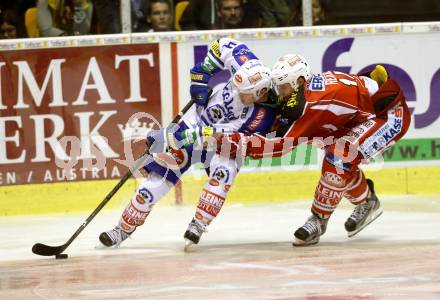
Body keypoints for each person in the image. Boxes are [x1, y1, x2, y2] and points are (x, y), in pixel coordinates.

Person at [99, 38, 279, 249]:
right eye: (237, 86)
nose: (239, 92)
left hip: (220, 142)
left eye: (245, 92)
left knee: (224, 174)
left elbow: (216, 136)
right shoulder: (246, 63)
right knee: (158, 178)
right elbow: (221, 44)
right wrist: (202, 75)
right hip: (195, 121)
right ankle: (122, 229)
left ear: (261, 92)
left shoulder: (264, 116)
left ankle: (198, 224)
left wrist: (172, 136)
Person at [215, 54, 411, 246]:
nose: (280, 92)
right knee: (333, 151)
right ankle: (367, 201)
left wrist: (227, 143)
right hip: (360, 116)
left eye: (283, 87)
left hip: (390, 116)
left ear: (300, 81)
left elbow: (278, 146)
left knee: (339, 157)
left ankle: (318, 221)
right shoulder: (306, 92)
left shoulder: (308, 104)